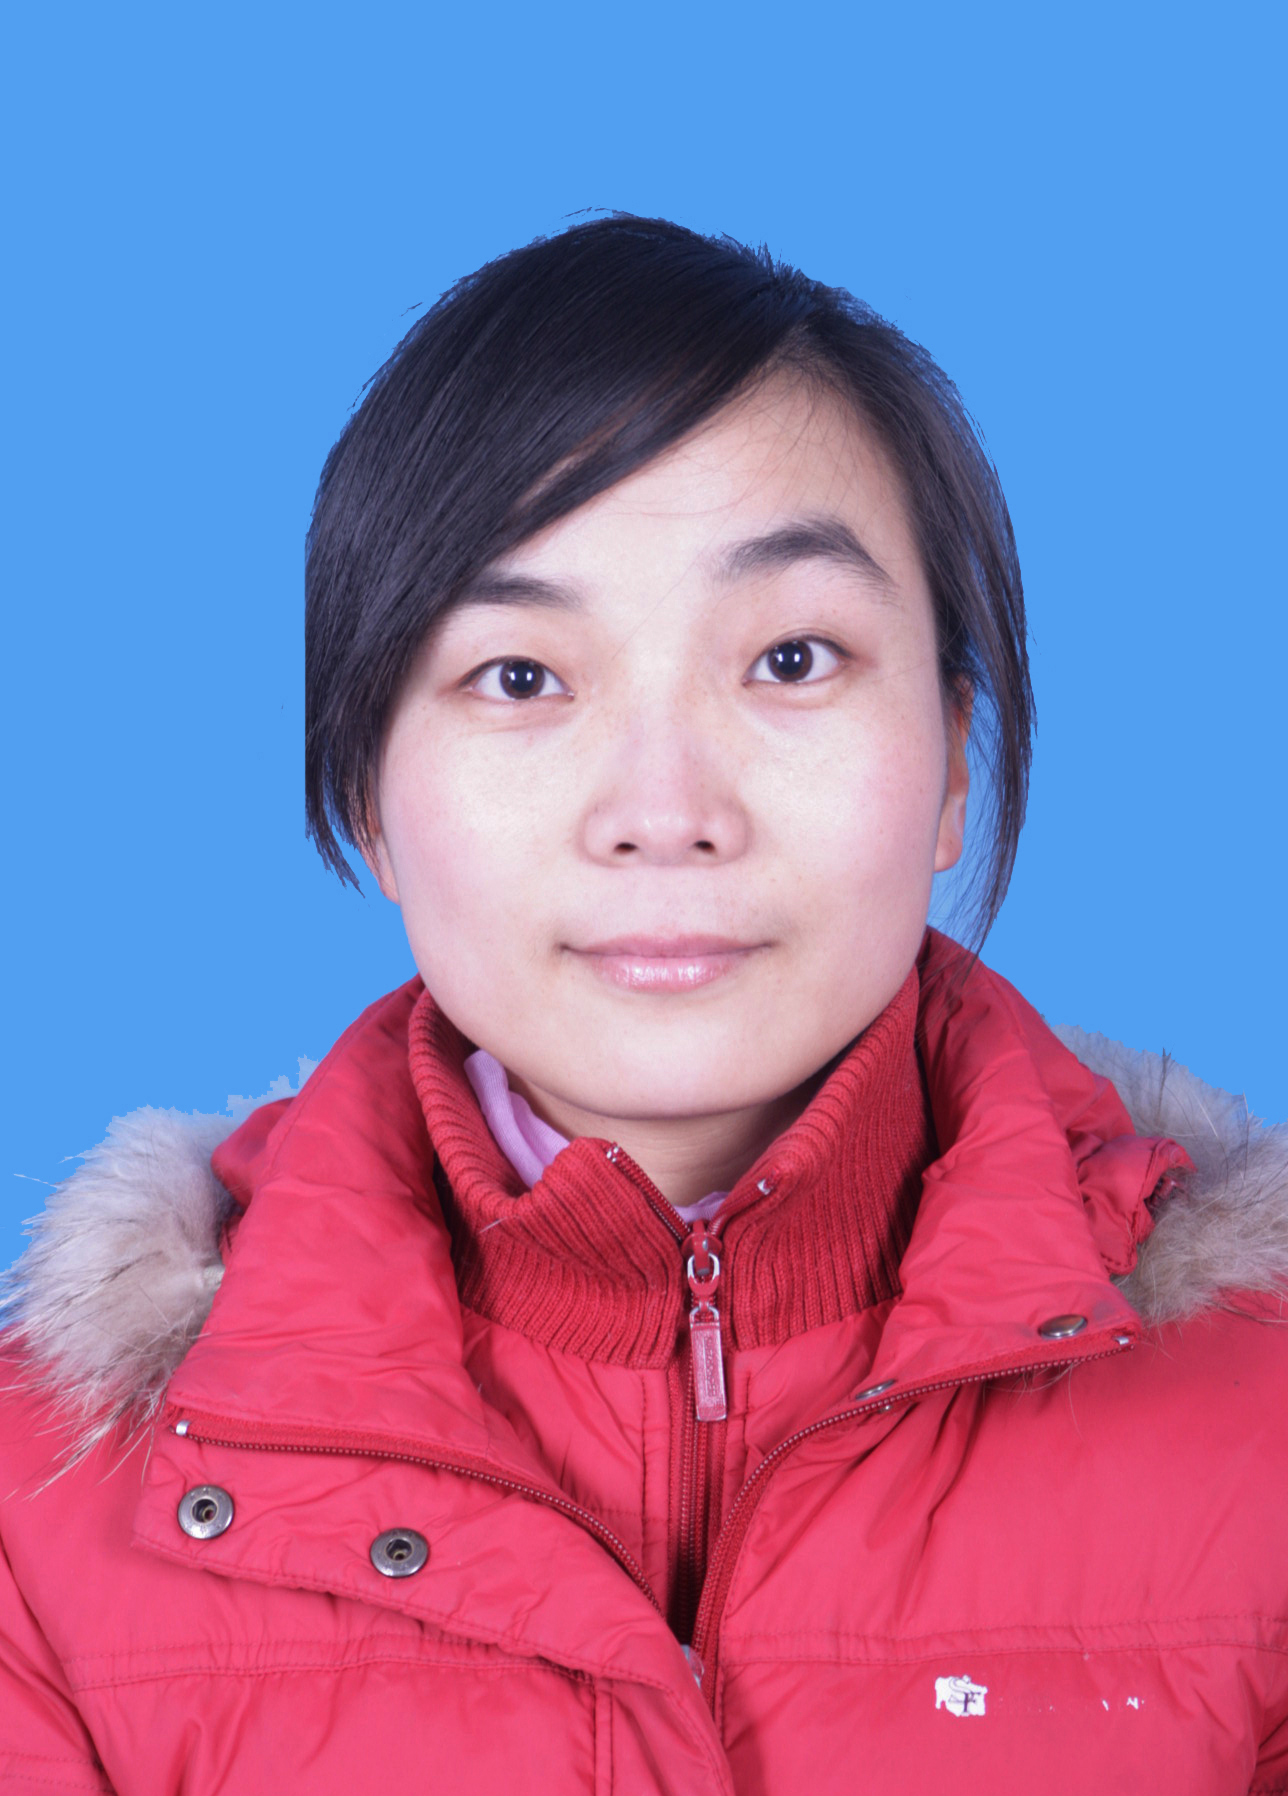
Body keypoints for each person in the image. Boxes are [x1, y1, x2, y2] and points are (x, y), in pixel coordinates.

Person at [1, 214, 1285, 1796]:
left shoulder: (1268, 1415)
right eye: (522, 677)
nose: (665, 812)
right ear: (368, 795)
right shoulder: (39, 1507)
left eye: (792, 658)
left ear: (956, 759)